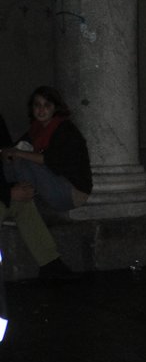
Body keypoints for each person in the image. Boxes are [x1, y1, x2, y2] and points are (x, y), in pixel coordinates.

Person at [2, 86, 93, 279]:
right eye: (37, 105)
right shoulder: (35, 130)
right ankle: (15, 195)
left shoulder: (64, 129)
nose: (41, 110)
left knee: (19, 158)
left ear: (55, 108)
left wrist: (18, 154)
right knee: (14, 157)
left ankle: (17, 194)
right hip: (49, 187)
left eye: (46, 105)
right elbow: (11, 150)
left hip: (70, 191)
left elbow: (53, 160)